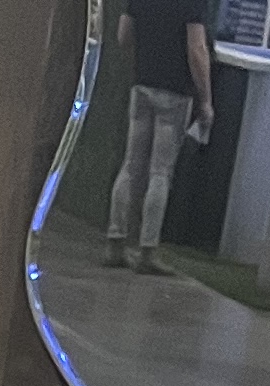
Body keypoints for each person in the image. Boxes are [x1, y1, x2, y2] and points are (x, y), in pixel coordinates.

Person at [105, 0, 212, 276]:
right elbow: (197, 50)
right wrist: (206, 100)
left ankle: (115, 244)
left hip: (142, 83)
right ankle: (147, 251)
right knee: (160, 172)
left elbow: (123, 36)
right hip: (175, 91)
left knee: (131, 165)